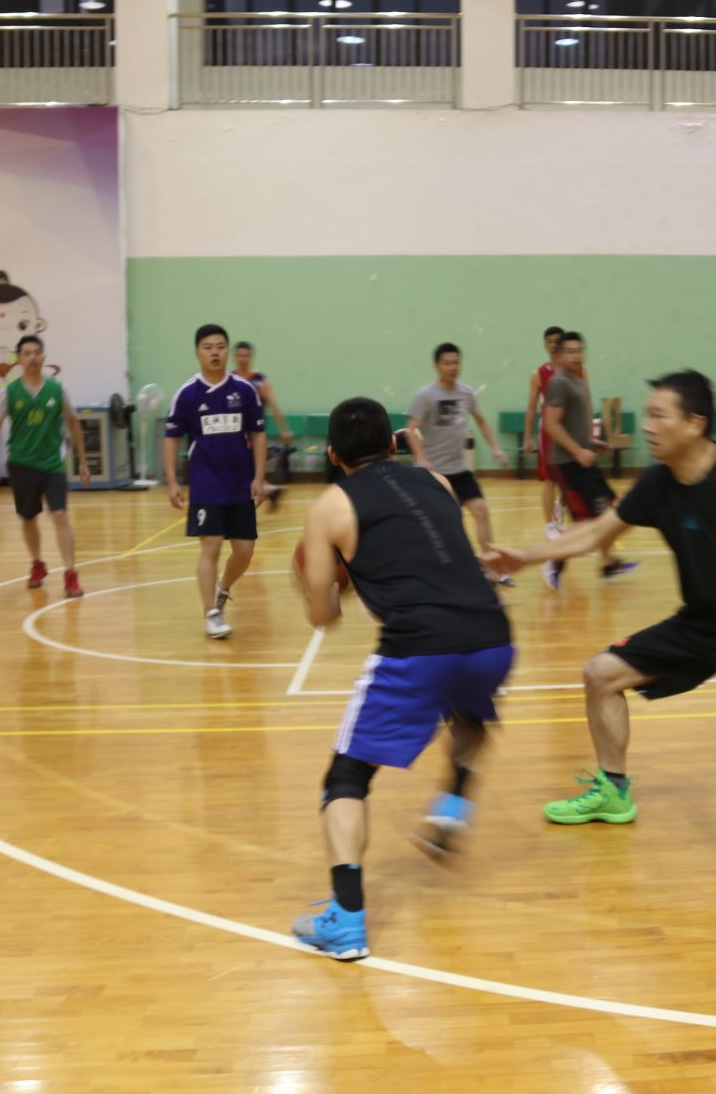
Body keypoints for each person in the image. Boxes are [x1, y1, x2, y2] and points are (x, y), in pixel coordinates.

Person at [488, 370, 716, 896]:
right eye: (648, 415)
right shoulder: (658, 482)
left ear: (695, 423)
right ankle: (613, 792)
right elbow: (597, 533)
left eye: (658, 415)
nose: (647, 426)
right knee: (600, 674)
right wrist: (526, 557)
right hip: (697, 621)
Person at [290, 397, 516, 961]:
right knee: (470, 714)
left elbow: (323, 618)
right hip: (493, 635)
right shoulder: (437, 482)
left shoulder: (329, 507)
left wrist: (320, 583)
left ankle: (345, 921)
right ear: (393, 445)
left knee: (345, 778)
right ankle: (453, 804)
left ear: (333, 455)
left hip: (420, 647)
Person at [163, 324, 267, 640]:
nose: (215, 353)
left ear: (227, 350)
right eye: (208, 347)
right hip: (206, 483)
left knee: (245, 550)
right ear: (198, 352)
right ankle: (211, 613)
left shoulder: (244, 391)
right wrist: (172, 481)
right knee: (210, 546)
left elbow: (258, 434)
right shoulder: (187, 394)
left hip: (240, 482)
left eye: (220, 346)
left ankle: (223, 587)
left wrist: (259, 476)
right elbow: (171, 438)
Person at [0, 334, 88, 597]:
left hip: (52, 464)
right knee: (28, 518)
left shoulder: (58, 389)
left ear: (43, 357)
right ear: (19, 360)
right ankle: (37, 563)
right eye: (27, 353)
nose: (32, 357)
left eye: (36, 352)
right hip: (21, 464)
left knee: (60, 514)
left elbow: (73, 422)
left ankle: (71, 574)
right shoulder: (8, 392)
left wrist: (83, 461)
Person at [407, 343, 514, 586]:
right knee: (441, 525)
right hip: (435, 474)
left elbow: (482, 421)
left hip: (460, 470)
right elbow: (411, 430)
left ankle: (491, 567)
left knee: (481, 511)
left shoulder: (466, 393)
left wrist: (496, 448)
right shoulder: (426, 395)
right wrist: (421, 458)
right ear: (437, 366)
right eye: (447, 363)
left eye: (456, 362)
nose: (453, 367)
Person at [542, 330, 636, 589]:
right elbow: (551, 425)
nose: (576, 355)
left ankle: (608, 563)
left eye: (579, 350)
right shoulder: (559, 383)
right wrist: (577, 451)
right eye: (569, 351)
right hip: (568, 464)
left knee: (607, 512)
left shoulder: (579, 380)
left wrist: (593, 443)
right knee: (586, 522)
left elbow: (575, 424)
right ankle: (554, 560)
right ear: (560, 355)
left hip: (584, 460)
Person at [233, 340, 294, 511]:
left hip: (254, 435)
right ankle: (271, 491)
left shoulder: (260, 381)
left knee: (245, 470)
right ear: (234, 357)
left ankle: (263, 494)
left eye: (246, 356)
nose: (242, 359)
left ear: (251, 357)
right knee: (244, 471)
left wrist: (284, 429)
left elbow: (274, 405)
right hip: (234, 434)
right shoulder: (230, 379)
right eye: (239, 355)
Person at [523, 325, 566, 530]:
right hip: (549, 431)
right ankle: (549, 526)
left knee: (571, 479)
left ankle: (560, 506)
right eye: (550, 342)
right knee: (550, 479)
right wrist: (527, 437)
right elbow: (531, 408)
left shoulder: (576, 369)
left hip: (572, 430)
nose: (554, 345)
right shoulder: (539, 374)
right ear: (545, 345)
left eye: (558, 341)